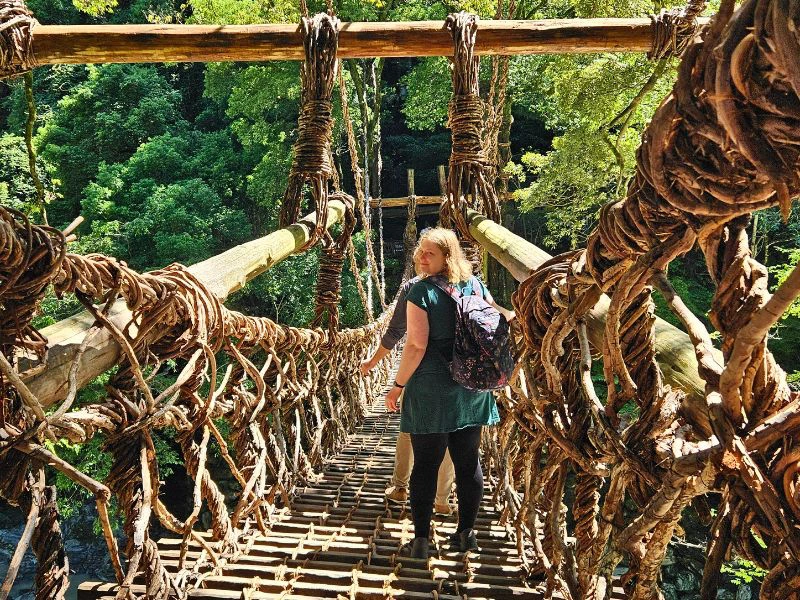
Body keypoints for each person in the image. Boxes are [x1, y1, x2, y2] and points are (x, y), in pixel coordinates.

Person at [385, 228, 514, 559]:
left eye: (430, 252)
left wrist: (397, 386)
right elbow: (498, 319)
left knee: (426, 466)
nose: (421, 256)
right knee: (468, 462)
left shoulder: (420, 291)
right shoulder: (476, 285)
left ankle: (421, 541)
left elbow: (416, 345)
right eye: (421, 251)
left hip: (431, 390)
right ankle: (466, 535)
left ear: (447, 256)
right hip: (472, 387)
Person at [360, 263, 456, 516]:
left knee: (410, 429)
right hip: (459, 374)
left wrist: (376, 365)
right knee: (450, 434)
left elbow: (396, 333)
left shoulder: (413, 287)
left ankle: (401, 488)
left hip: (421, 372)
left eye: (426, 253)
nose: (421, 258)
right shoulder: (468, 285)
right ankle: (442, 499)